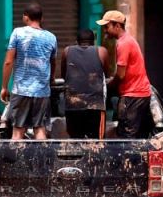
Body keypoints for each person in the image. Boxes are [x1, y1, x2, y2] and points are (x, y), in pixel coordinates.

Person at [0, 3, 58, 140]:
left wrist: (4, 87)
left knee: (18, 130)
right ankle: (41, 161)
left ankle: (17, 161)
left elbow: (8, 62)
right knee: (40, 129)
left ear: (26, 17)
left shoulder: (17, 33)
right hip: (42, 92)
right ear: (41, 18)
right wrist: (51, 80)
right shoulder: (51, 37)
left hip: (21, 90)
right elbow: (53, 62)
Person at [96, 9, 153, 138]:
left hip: (132, 96)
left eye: (106, 26)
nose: (105, 30)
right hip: (140, 95)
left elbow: (120, 75)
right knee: (137, 138)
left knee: (126, 139)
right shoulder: (127, 41)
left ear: (117, 26)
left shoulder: (124, 44)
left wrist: (109, 86)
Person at [62, 28, 110, 139]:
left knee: (75, 142)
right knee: (97, 143)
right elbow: (106, 75)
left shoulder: (67, 51)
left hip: (73, 106)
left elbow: (65, 75)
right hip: (95, 106)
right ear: (93, 41)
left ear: (76, 41)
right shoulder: (102, 51)